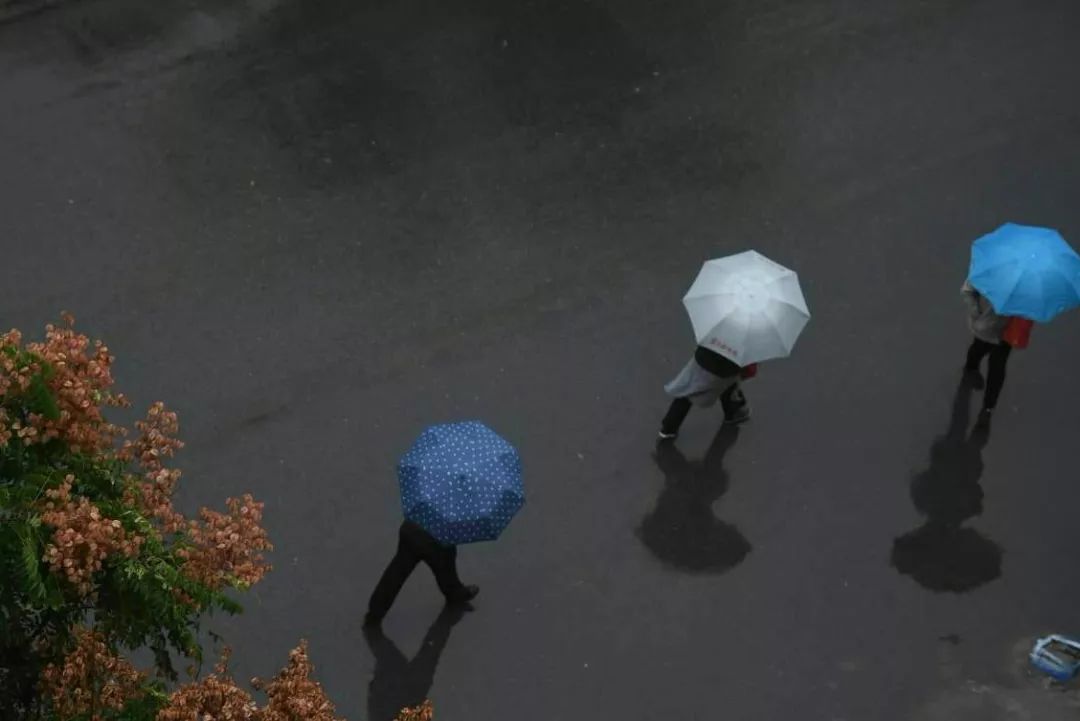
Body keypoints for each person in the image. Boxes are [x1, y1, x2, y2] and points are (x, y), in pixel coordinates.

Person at [364, 520, 478, 627]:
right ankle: (455, 593)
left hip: (411, 530)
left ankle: (376, 610)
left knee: (397, 570)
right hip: (435, 539)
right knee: (446, 564)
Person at [961, 280, 1028, 422]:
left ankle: (989, 405)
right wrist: (976, 314)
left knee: (997, 365)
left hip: (1010, 331)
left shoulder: (1031, 282)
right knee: (979, 349)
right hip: (988, 328)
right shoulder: (997, 270)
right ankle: (970, 368)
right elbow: (968, 289)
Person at [658, 344, 753, 440]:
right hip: (725, 371)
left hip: (701, 360)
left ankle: (668, 428)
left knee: (686, 392)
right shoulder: (747, 342)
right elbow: (749, 371)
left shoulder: (716, 330)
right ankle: (733, 412)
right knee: (729, 385)